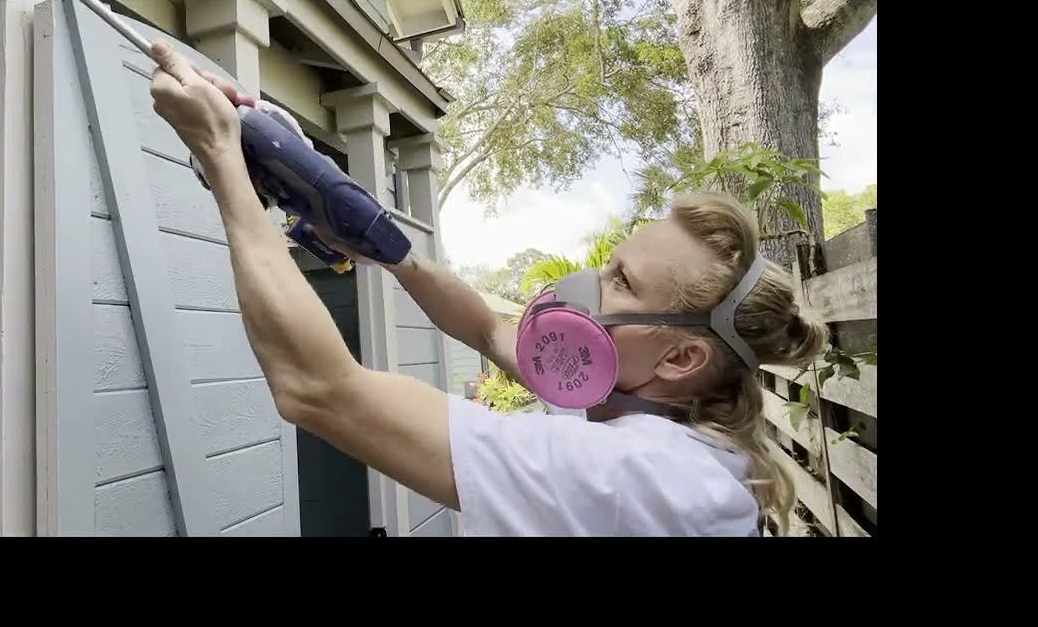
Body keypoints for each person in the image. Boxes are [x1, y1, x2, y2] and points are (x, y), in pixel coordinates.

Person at [147, 42, 828, 537]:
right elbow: (484, 330)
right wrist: (372, 237)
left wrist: (222, 157)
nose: (588, 285)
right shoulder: (626, 415)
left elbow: (318, 388)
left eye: (620, 281)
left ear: (682, 359)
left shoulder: (644, 477)